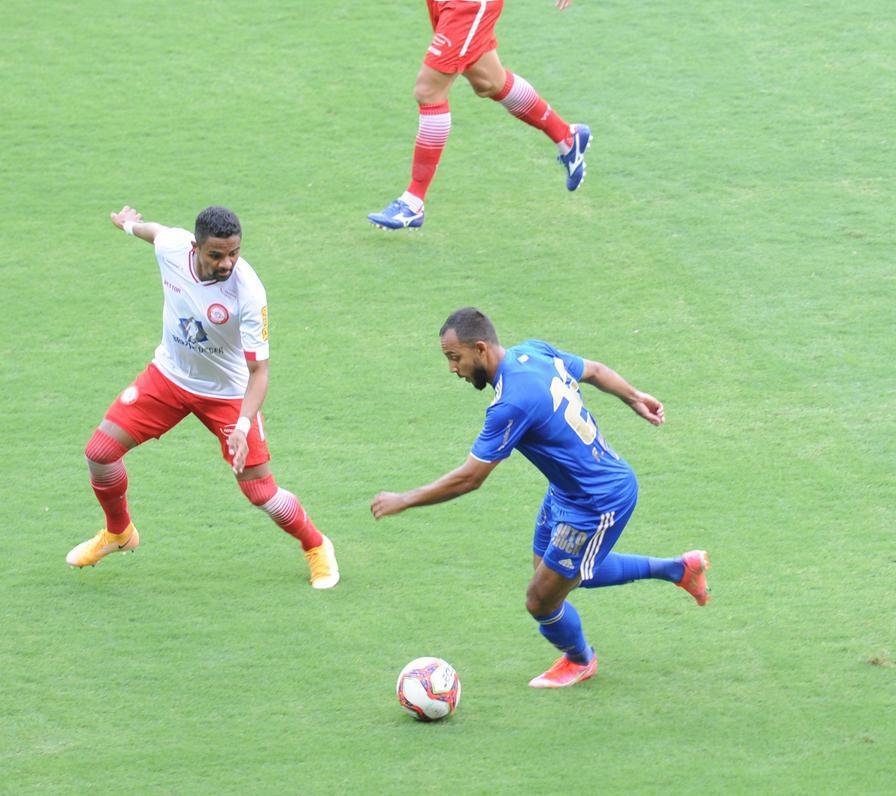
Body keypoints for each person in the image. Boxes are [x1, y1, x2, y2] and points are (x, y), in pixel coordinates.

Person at [372, 308, 708, 687]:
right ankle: (680, 569)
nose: (453, 369)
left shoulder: (511, 404)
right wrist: (633, 397)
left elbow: (469, 478)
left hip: (597, 502)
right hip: (567, 489)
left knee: (541, 600)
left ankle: (580, 660)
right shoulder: (532, 352)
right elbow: (594, 370)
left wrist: (405, 499)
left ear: (480, 349)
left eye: (455, 358)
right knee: (554, 574)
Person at [67, 206, 340, 590]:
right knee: (99, 453)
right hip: (168, 378)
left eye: (234, 253)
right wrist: (127, 223)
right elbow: (155, 230)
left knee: (260, 492)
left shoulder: (248, 292)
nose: (227, 263)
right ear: (195, 247)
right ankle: (119, 532)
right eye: (217, 255)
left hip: (227, 395)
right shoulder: (173, 248)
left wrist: (243, 425)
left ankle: (316, 545)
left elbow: (260, 371)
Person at [368, 0, 590, 230]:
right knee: (489, 82)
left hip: (468, 5)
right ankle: (566, 136)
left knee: (429, 91)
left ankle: (413, 202)